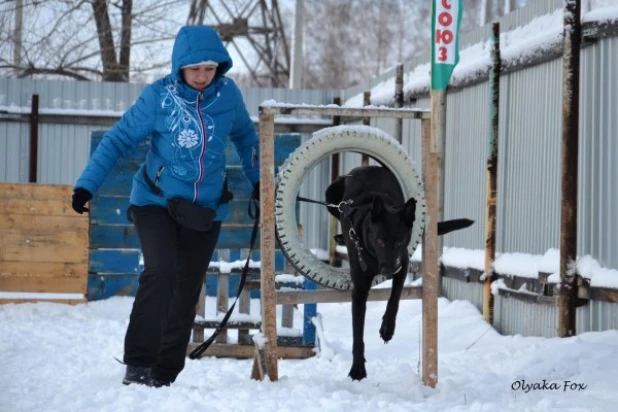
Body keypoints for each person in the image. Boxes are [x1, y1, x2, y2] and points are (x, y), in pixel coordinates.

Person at [71, 25, 260, 388]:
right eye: (195, 69)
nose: (203, 76)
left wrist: (260, 181)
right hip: (154, 201)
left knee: (187, 287)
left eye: (209, 68)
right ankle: (139, 363)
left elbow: (247, 138)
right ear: (180, 67)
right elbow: (118, 139)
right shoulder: (159, 97)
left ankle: (165, 372)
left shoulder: (228, 96)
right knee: (161, 272)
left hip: (204, 209)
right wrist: (86, 185)